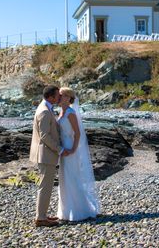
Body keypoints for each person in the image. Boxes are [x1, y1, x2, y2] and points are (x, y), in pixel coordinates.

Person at [29, 85, 70, 227]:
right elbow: (45, 135)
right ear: (51, 97)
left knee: (46, 185)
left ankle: (43, 215)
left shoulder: (46, 108)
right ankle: (40, 218)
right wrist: (59, 149)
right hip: (45, 155)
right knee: (45, 186)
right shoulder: (44, 111)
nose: (60, 97)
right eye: (58, 95)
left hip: (45, 154)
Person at [57, 87, 100, 221]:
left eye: (62, 95)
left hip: (70, 147)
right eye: (59, 95)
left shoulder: (70, 113)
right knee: (64, 178)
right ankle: (66, 210)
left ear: (68, 98)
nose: (59, 97)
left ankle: (79, 210)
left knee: (72, 177)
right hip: (63, 147)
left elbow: (78, 133)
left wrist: (74, 149)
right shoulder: (60, 112)